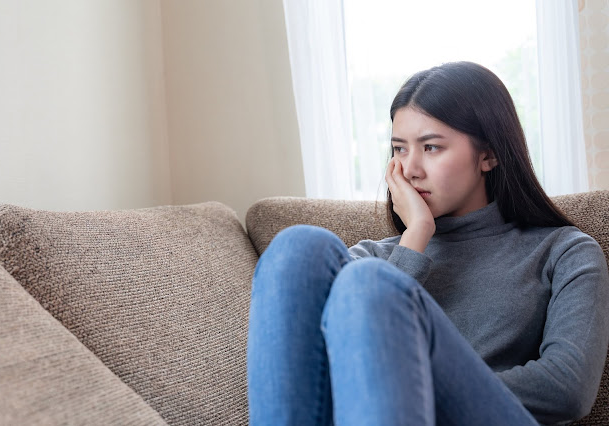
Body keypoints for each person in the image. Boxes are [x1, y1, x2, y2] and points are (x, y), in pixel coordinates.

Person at [246, 61, 609, 425]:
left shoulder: (564, 252)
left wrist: (406, 383)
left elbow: (567, 388)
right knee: (298, 247)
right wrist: (415, 237)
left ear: (489, 154)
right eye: (399, 149)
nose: (410, 168)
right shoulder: (378, 257)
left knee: (369, 282)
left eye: (431, 147)